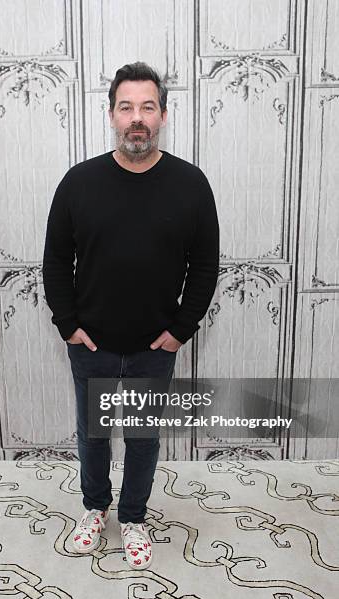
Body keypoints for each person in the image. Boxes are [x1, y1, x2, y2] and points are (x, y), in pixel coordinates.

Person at [42, 61, 219, 569]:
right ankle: (95, 508)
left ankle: (134, 516)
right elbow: (56, 261)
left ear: (162, 115)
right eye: (126, 107)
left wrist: (180, 331)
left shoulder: (190, 184)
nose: (136, 118)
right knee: (93, 435)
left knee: (142, 438)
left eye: (147, 106)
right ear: (111, 115)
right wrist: (69, 325)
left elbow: (204, 266)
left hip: (152, 347)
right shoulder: (79, 182)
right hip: (91, 343)